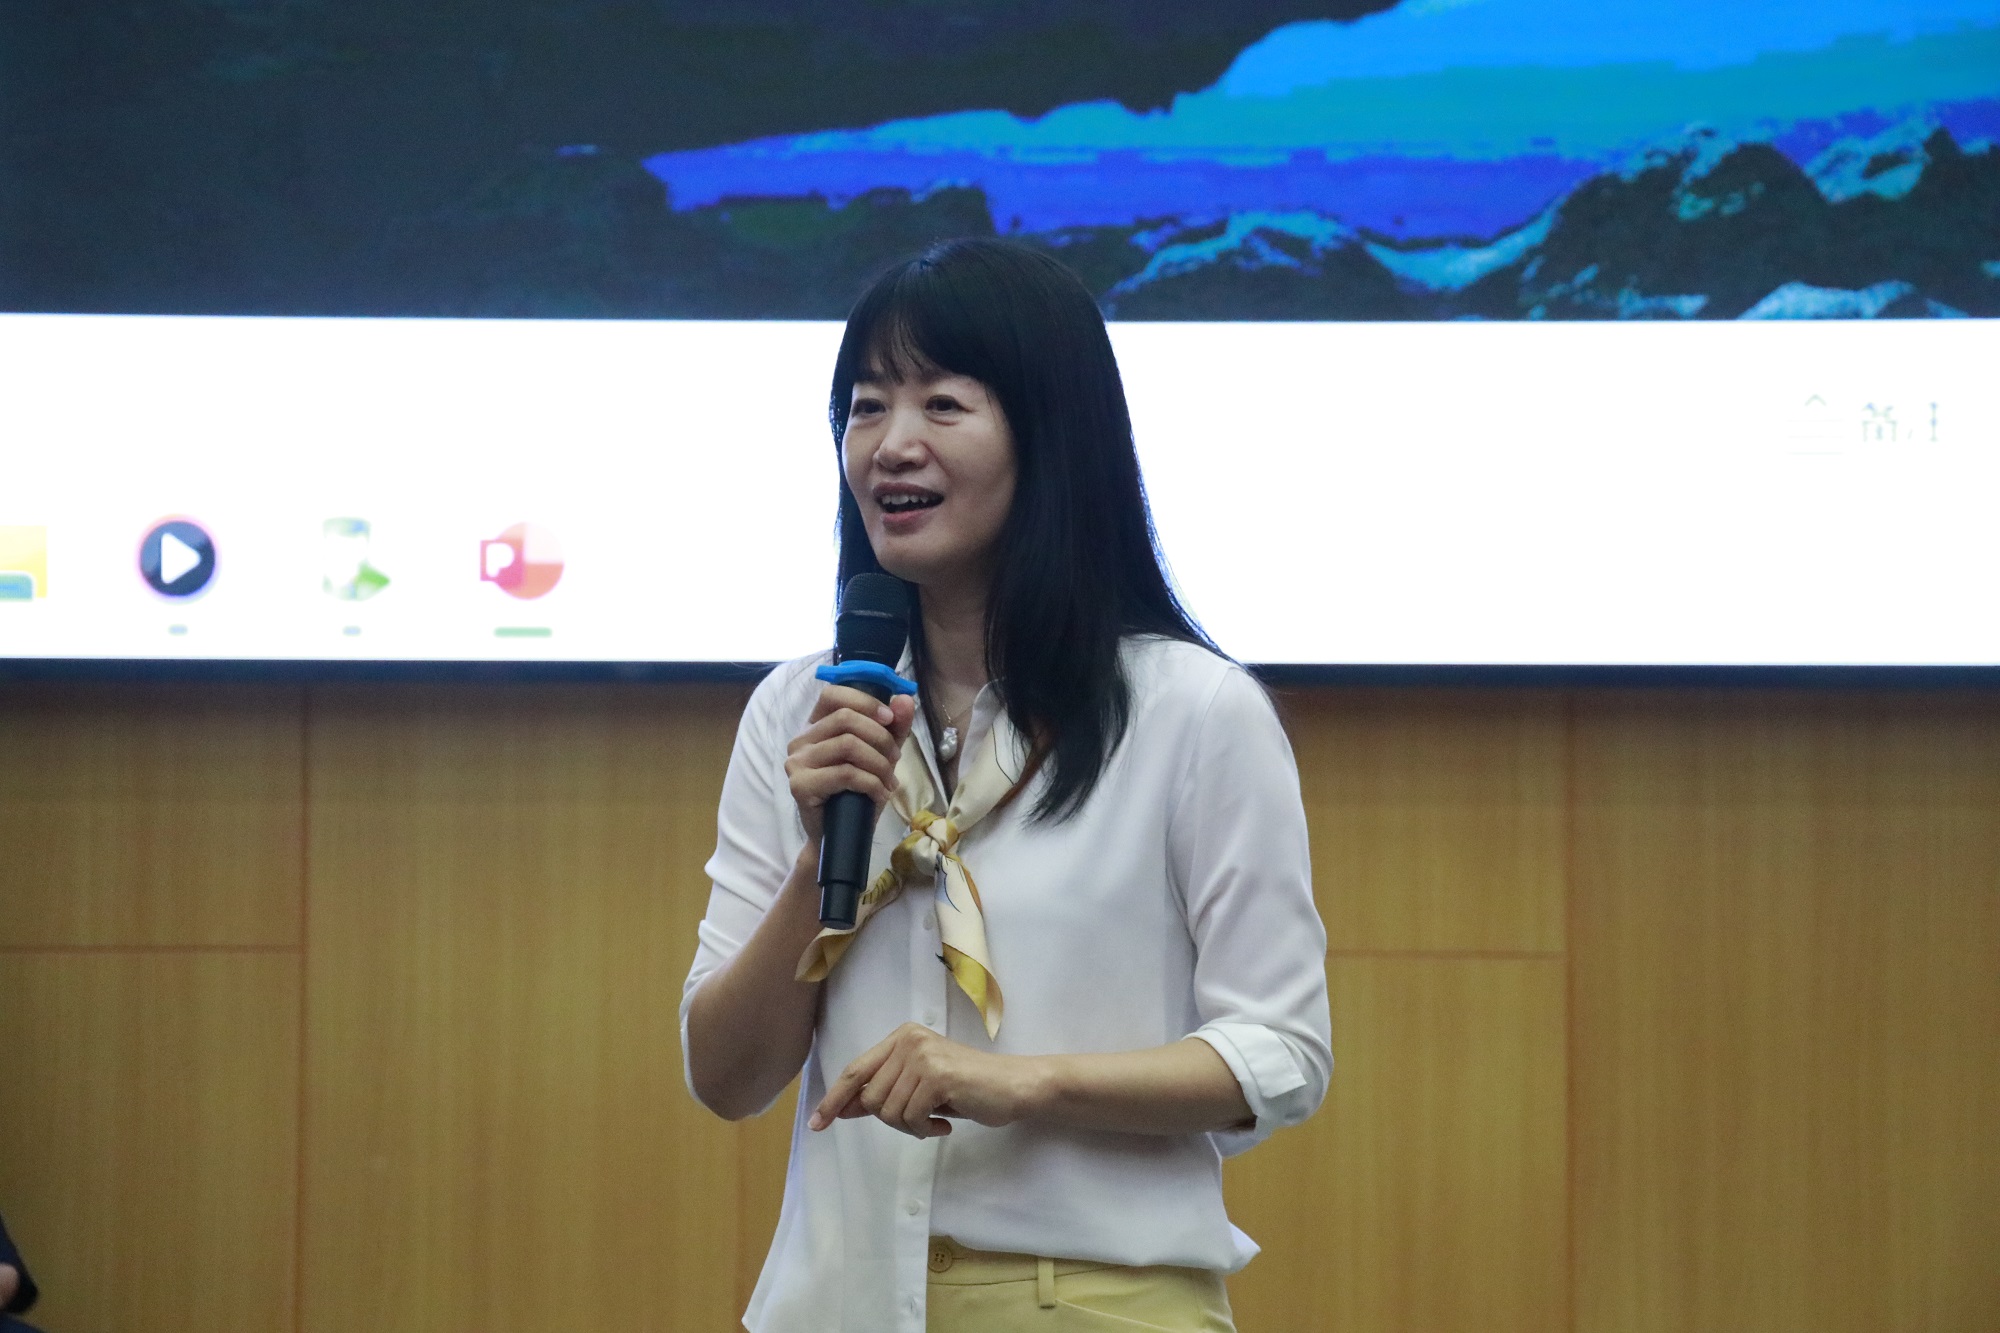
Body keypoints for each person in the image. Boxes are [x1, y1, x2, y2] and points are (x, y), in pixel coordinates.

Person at [681, 237, 1331, 1333]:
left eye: (942, 404)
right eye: (865, 406)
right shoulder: (802, 712)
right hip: (834, 1307)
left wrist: (1022, 1082)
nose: (891, 444)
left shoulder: (1191, 711)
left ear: (1049, 434)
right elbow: (726, 1077)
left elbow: (1282, 1052)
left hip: (1094, 1302)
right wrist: (817, 856)